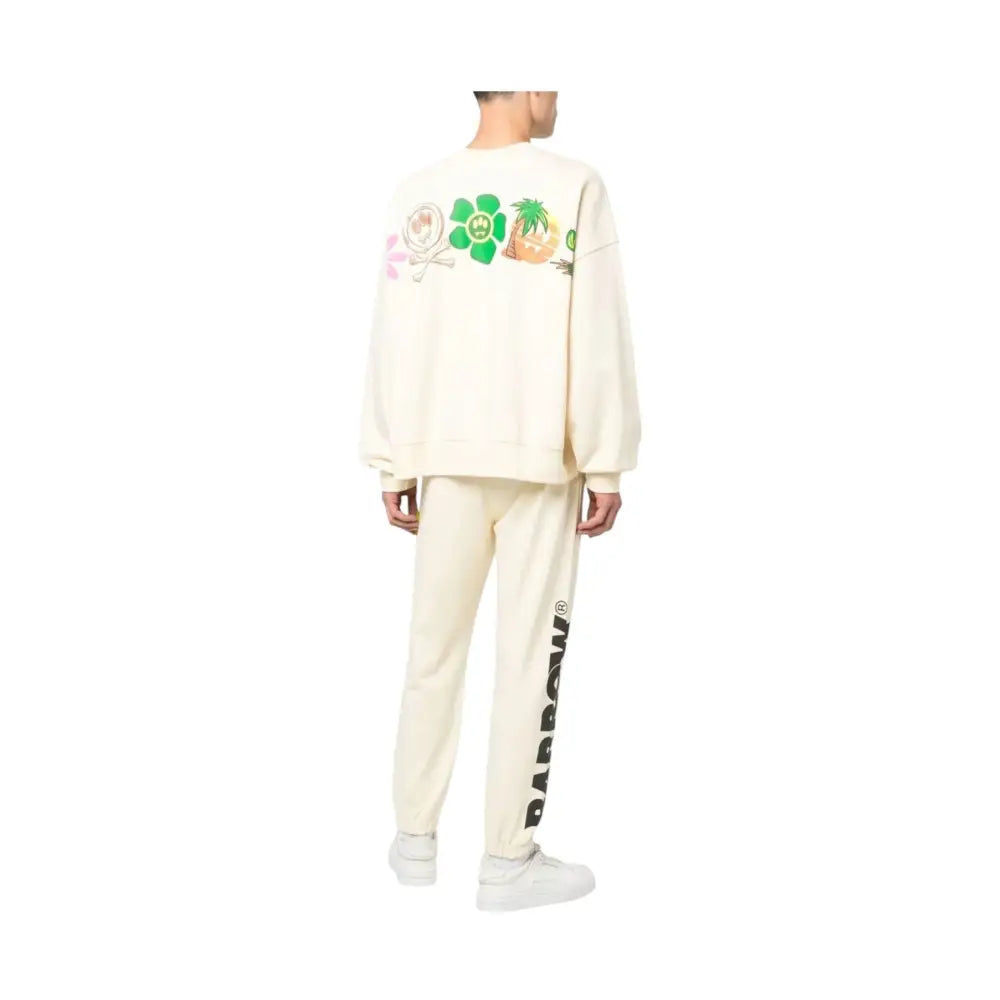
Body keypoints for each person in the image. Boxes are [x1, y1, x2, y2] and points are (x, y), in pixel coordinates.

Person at [360, 91, 640, 911]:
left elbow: (394, 330)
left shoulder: (417, 192)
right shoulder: (574, 185)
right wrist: (606, 461)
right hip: (539, 459)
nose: (558, 99)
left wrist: (393, 458)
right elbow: (597, 328)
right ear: (525, 85)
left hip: (444, 458)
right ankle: (506, 860)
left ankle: (414, 841)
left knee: (431, 650)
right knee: (528, 659)